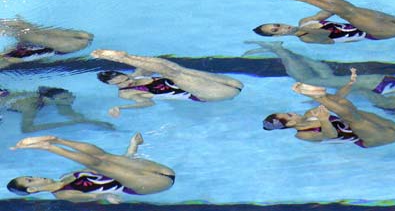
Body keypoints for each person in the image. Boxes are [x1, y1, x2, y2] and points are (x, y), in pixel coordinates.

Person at [243, 41, 395, 120]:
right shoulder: (394, 104)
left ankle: (286, 51)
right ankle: (279, 50)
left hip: (388, 85)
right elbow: (357, 91)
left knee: (327, 78)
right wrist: (324, 98)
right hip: (379, 84)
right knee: (307, 78)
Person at [7, 132, 175, 203]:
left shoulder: (69, 175)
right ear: (32, 190)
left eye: (31, 175)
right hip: (150, 185)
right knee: (100, 163)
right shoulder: (63, 194)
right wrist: (108, 196)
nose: (36, 177)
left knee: (103, 157)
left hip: (157, 171)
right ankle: (50, 146)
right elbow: (96, 197)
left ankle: (57, 140)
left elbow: (118, 165)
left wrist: (133, 146)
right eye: (31, 180)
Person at [263, 68, 395, 148]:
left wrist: (350, 83)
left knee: (344, 105)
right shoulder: (302, 134)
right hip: (364, 137)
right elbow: (331, 135)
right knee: (356, 120)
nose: (292, 112)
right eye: (289, 115)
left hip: (358, 120)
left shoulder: (310, 113)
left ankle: (318, 96)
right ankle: (317, 96)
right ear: (291, 123)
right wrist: (324, 120)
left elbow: (337, 100)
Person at [91, 49, 244, 117]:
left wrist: (134, 59)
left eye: (126, 77)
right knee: (173, 73)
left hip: (230, 84)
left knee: (174, 68)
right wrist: (122, 107)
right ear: (111, 85)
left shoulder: (136, 76)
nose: (129, 80)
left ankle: (125, 56)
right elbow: (147, 104)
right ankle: (122, 58)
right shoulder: (126, 93)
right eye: (123, 81)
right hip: (212, 94)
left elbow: (158, 63)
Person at [253, 0, 395, 44]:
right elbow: (324, 34)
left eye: (277, 24)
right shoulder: (305, 38)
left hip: (383, 20)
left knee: (352, 10)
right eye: (276, 30)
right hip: (378, 33)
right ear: (276, 36)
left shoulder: (304, 21)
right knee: (349, 13)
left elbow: (328, 11)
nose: (281, 27)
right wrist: (301, 30)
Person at [0, 86, 114, 132]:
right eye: (66, 99)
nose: (71, 99)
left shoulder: (50, 93)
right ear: (48, 99)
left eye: (71, 96)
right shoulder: (30, 106)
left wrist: (94, 122)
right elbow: (27, 129)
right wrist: (67, 124)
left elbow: (68, 112)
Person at [0, 17, 93, 69]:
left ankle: (14, 25)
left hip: (64, 47)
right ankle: (14, 24)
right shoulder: (10, 58)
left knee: (85, 37)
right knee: (31, 34)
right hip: (65, 47)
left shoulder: (10, 55)